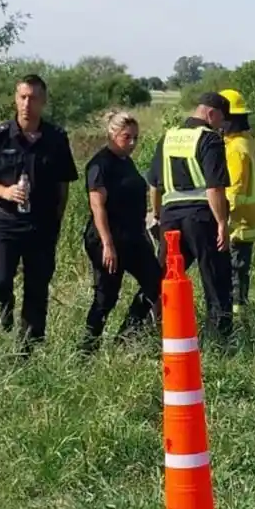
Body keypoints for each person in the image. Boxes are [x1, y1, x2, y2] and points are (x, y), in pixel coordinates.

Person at [0, 74, 79, 353]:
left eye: (33, 98)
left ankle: (27, 351)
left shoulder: (56, 139)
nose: (27, 103)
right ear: (16, 99)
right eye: (22, 97)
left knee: (37, 288)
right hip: (5, 221)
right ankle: (5, 304)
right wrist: (4, 192)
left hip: (41, 224)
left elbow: (63, 184)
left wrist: (56, 221)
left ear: (43, 102)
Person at [147, 92, 234, 338]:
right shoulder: (209, 139)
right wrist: (221, 223)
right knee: (215, 276)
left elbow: (154, 184)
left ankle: (157, 328)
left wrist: (156, 215)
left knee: (165, 276)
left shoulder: (168, 137)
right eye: (221, 120)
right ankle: (221, 337)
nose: (221, 126)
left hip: (170, 219)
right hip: (201, 218)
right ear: (211, 114)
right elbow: (214, 187)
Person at [79, 110, 162, 353]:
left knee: (156, 284)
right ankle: (87, 349)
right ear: (112, 134)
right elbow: (97, 206)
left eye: (136, 137)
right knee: (107, 297)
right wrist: (107, 244)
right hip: (108, 240)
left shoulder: (127, 161)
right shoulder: (100, 164)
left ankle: (127, 336)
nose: (133, 143)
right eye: (127, 137)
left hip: (134, 238)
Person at [218, 89, 255, 318]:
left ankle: (235, 318)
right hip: (252, 219)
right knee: (241, 271)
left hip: (238, 222)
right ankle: (241, 312)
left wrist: (222, 223)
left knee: (233, 273)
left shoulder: (234, 149)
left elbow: (233, 190)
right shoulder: (250, 142)